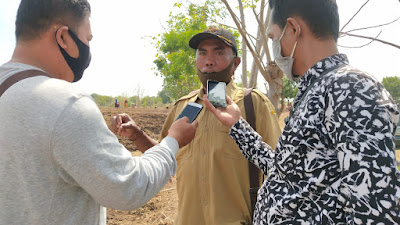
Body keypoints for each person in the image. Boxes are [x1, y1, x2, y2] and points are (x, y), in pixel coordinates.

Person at [0, 1, 197, 225]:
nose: (88, 48)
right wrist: (172, 141)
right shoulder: (66, 102)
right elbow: (130, 187)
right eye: (88, 38)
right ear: (63, 37)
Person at [203, 0, 400, 224]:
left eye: (273, 37)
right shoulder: (317, 89)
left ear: (293, 29)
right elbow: (287, 172)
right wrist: (237, 126)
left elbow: (376, 210)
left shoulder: (351, 87)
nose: (274, 46)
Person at [112, 26, 282, 224]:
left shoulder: (254, 104)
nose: (209, 60)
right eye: (202, 53)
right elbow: (165, 156)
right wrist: (136, 135)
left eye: (218, 52)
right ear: (196, 61)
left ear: (235, 63)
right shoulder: (184, 106)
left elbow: (279, 167)